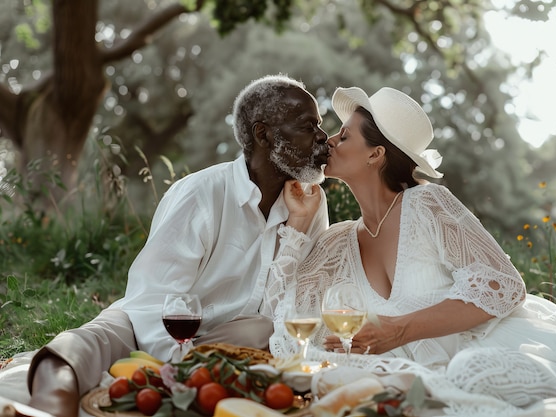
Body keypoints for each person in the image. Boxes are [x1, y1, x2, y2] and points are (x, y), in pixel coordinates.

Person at [263, 85, 556, 409]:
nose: (329, 142)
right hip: (425, 380)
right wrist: (298, 222)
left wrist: (400, 329)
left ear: (376, 155)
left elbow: (504, 285)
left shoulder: (428, 204)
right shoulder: (338, 241)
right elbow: (283, 314)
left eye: (344, 137)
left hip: (498, 347)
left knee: (471, 372)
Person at [25, 74, 330, 417]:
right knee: (77, 347)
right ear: (263, 134)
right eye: (308, 126)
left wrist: (300, 225)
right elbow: (153, 298)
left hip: (240, 340)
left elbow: (295, 308)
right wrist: (177, 369)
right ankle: (46, 408)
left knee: (263, 329)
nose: (323, 137)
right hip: (153, 323)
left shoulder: (309, 206)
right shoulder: (202, 194)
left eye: (320, 125)